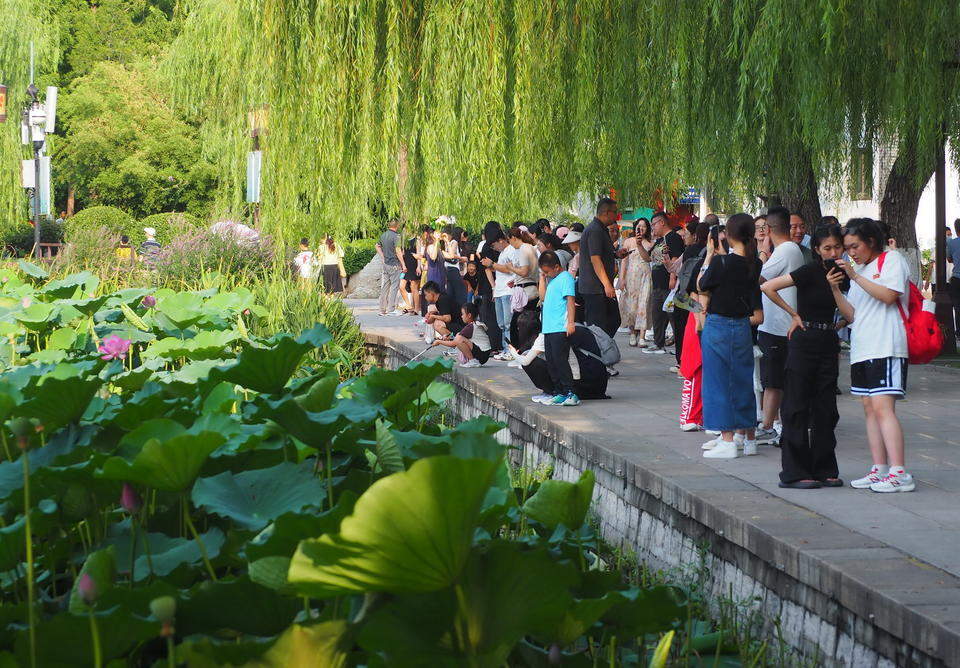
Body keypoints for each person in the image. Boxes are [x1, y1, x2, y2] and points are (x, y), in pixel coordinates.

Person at [828, 218, 914, 492]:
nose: (850, 253)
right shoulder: (861, 271)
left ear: (871, 242)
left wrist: (855, 276)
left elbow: (889, 296)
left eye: (854, 246)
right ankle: (880, 468)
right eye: (847, 248)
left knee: (883, 407)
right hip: (863, 347)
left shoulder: (891, 260)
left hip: (886, 344)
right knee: (869, 409)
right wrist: (835, 288)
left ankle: (899, 472)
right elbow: (851, 314)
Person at [761, 224, 847, 489]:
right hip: (804, 340)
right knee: (796, 405)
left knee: (826, 408)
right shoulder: (809, 270)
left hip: (828, 341)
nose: (833, 252)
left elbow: (855, 306)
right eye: (827, 248)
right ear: (817, 250)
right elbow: (769, 287)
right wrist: (794, 314)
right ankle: (794, 472)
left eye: (837, 247)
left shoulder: (845, 274)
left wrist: (840, 322)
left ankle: (824, 468)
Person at [697, 213, 763, 459]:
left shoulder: (721, 263)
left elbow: (702, 284)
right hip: (742, 327)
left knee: (718, 382)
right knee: (742, 380)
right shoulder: (755, 263)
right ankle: (747, 437)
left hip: (719, 325)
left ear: (729, 235)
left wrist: (711, 254)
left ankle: (727, 439)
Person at [755, 207, 806, 445]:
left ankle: (768, 426)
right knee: (772, 379)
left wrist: (763, 253)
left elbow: (758, 278)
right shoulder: (789, 250)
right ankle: (775, 424)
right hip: (776, 324)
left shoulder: (785, 250)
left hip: (778, 325)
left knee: (773, 381)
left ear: (768, 230)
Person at [537, 250, 580, 406]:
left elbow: (570, 300)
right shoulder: (552, 279)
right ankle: (559, 390)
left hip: (560, 327)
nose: (546, 274)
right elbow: (542, 297)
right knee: (551, 361)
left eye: (547, 271)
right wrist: (542, 278)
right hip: (548, 327)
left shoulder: (566, 278)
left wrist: (570, 322)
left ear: (556, 267)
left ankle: (570, 392)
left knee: (560, 360)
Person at [578, 198, 621, 336]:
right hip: (594, 287)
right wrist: (607, 284)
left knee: (613, 319)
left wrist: (616, 254)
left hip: (600, 287)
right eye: (615, 212)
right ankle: (597, 352)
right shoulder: (595, 230)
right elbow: (595, 259)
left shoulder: (601, 229)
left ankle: (604, 348)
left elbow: (601, 254)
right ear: (607, 213)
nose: (616, 216)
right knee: (597, 326)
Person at [645, 211, 684, 355]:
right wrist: (639, 245)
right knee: (657, 315)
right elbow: (647, 258)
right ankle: (658, 343)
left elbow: (675, 258)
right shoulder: (659, 241)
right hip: (657, 283)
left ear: (662, 222)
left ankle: (680, 346)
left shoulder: (673, 238)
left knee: (673, 316)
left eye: (653, 224)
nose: (652, 227)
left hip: (668, 283)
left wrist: (672, 278)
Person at [482, 229, 524, 358]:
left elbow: (509, 269)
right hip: (500, 291)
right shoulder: (502, 253)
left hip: (507, 291)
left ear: (501, 240)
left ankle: (510, 350)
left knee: (507, 323)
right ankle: (505, 349)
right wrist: (495, 290)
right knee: (501, 324)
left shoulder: (511, 251)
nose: (494, 248)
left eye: (494, 245)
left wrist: (492, 264)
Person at [669, 220, 702, 369]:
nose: (684, 237)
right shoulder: (708, 251)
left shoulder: (690, 250)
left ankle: (682, 363)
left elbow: (677, 270)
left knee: (683, 330)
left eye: (687, 234)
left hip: (685, 296)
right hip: (701, 296)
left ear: (695, 236)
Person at [618, 217, 653, 347]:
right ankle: (633, 333)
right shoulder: (628, 242)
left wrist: (640, 245)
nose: (641, 228)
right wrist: (621, 278)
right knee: (632, 305)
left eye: (644, 226)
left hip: (645, 275)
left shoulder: (650, 243)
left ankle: (642, 336)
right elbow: (624, 262)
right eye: (639, 226)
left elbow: (648, 259)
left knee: (644, 303)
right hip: (631, 276)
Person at [431, 303, 491, 368]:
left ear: (469, 315)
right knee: (458, 336)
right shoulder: (473, 324)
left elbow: (454, 343)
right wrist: (450, 337)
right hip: (484, 354)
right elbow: (457, 338)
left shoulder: (471, 327)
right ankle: (472, 360)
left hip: (482, 354)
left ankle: (472, 361)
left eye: (462, 314)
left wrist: (439, 341)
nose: (461, 316)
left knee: (459, 338)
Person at [476, 221, 505, 354]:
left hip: (489, 285)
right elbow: (488, 269)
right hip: (491, 284)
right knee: (492, 317)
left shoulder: (486, 246)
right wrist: (494, 287)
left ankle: (494, 345)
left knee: (491, 317)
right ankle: (494, 345)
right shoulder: (489, 247)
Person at [376, 219, 404, 315]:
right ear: (397, 226)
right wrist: (403, 265)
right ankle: (391, 309)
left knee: (385, 287)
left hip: (386, 264)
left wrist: (383, 257)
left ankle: (381, 309)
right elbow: (398, 251)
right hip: (394, 264)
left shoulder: (383, 235)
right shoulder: (397, 236)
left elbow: (377, 246)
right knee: (394, 287)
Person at [441, 225, 468, 306]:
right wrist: (460, 257)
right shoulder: (453, 242)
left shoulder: (447, 243)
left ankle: (453, 311)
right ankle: (461, 310)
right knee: (460, 292)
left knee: (451, 292)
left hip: (447, 269)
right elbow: (452, 255)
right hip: (453, 269)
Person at [400, 237, 421, 314]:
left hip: (414, 265)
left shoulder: (417, 240)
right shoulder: (403, 240)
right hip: (405, 267)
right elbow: (402, 253)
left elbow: (418, 254)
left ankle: (416, 309)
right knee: (401, 286)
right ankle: (409, 306)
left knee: (414, 287)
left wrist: (419, 266)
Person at [424, 227, 448, 296]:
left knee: (441, 297)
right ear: (432, 235)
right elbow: (433, 257)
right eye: (437, 232)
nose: (440, 234)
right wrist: (437, 240)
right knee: (434, 295)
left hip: (441, 275)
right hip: (434, 275)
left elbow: (451, 255)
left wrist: (447, 242)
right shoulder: (431, 247)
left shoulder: (438, 248)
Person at [950, 218, 960, 336]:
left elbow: (949, 258)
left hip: (957, 278)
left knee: (957, 307)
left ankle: (959, 332)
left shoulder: (951, 243)